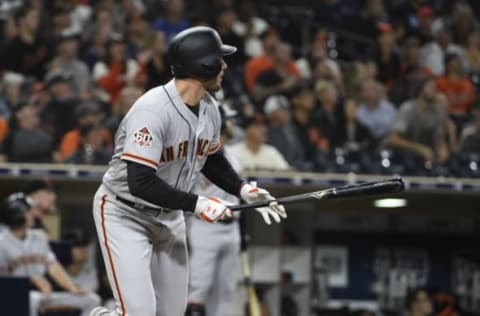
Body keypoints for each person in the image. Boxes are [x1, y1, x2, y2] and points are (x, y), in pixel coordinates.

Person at [89, 26, 286, 316]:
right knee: (140, 312)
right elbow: (140, 183)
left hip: (169, 218)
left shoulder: (209, 108)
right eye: (219, 59)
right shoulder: (152, 110)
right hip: (125, 213)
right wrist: (198, 204)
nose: (225, 66)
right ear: (203, 65)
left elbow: (213, 157)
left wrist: (242, 189)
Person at [0, 192, 100, 316]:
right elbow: (3, 281)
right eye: (29, 211)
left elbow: (53, 266)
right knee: (31, 299)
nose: (33, 214)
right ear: (17, 215)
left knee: (92, 300)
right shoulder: (2, 242)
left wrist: (72, 288)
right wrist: (30, 280)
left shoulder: (39, 237)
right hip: (14, 295)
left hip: (44, 293)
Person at [186, 105, 242, 316]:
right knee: (198, 288)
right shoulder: (195, 155)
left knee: (225, 292)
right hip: (205, 227)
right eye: (229, 120)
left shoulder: (235, 157)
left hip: (232, 227)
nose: (232, 124)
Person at [389, 77, 449, 164]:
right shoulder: (408, 108)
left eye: (435, 88)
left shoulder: (436, 112)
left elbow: (438, 138)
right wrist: (419, 148)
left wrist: (442, 148)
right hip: (400, 156)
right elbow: (394, 139)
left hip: (423, 157)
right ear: (420, 89)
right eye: (431, 87)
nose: (434, 91)